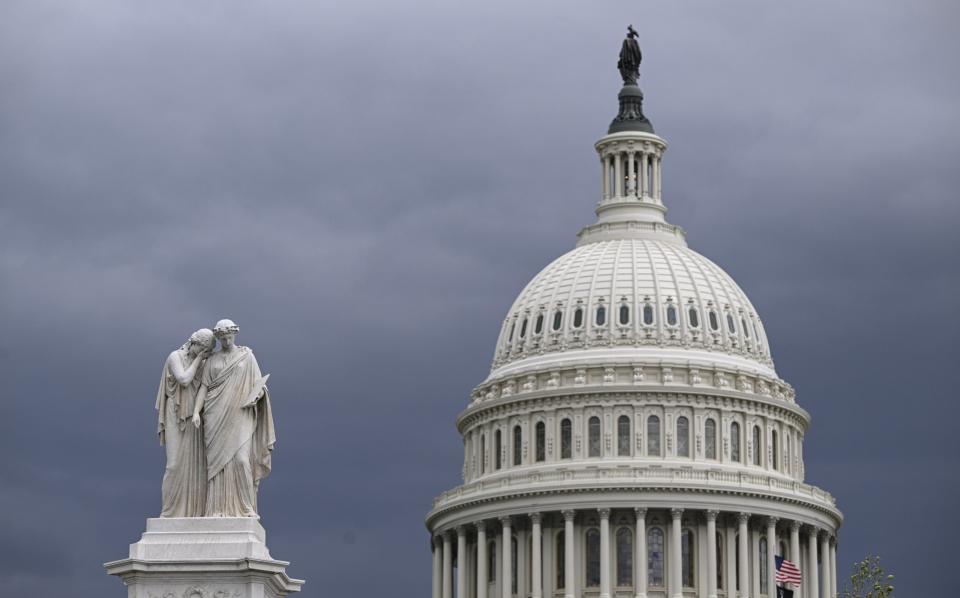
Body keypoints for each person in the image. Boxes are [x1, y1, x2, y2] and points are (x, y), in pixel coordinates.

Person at [192, 319, 275, 517]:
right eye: (222, 338)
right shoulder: (212, 360)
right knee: (216, 465)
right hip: (215, 414)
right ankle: (216, 509)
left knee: (241, 460)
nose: (226, 341)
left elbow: (259, 385)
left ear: (234, 335)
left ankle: (246, 508)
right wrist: (196, 411)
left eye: (229, 337)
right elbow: (204, 387)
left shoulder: (247, 357)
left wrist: (258, 395)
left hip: (241, 413)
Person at [156, 328, 215, 517]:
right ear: (194, 343)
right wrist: (199, 360)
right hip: (176, 413)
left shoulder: (205, 363)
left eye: (206, 351)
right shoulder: (175, 356)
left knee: (196, 468)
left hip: (195, 417)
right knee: (173, 465)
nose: (203, 353)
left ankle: (192, 512)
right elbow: (183, 379)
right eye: (202, 349)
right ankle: (169, 512)